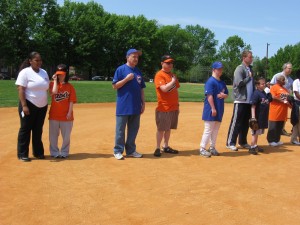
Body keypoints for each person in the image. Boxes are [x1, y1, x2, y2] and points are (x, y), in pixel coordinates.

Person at [15, 52, 49, 162]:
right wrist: (24, 105)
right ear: (30, 61)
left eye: (40, 60)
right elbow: (20, 89)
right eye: (36, 60)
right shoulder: (25, 72)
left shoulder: (44, 72)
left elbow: (46, 87)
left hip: (42, 106)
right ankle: (22, 154)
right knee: (25, 129)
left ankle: (38, 152)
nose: (39, 62)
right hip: (29, 104)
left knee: (38, 130)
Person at [112, 49, 146, 160]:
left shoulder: (138, 71)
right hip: (123, 105)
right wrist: (126, 79)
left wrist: (143, 103)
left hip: (136, 105)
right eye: (133, 56)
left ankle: (131, 150)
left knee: (133, 129)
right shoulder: (121, 69)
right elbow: (115, 86)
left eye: (137, 57)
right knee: (120, 130)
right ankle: (118, 151)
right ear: (127, 57)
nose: (136, 58)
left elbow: (141, 89)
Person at [226, 50, 254, 151]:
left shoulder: (250, 69)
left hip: (248, 101)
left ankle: (243, 142)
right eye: (250, 57)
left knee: (245, 123)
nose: (252, 59)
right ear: (244, 58)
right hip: (240, 100)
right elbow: (239, 83)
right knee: (236, 122)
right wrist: (249, 78)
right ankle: (230, 142)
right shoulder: (239, 69)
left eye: (252, 57)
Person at [199, 62, 228, 158]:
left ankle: (212, 147)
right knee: (208, 129)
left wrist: (224, 95)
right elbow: (209, 96)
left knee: (215, 130)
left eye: (221, 69)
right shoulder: (210, 81)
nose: (220, 70)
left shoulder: (222, 82)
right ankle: (202, 148)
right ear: (213, 70)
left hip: (220, 108)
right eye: (218, 69)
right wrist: (213, 108)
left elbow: (226, 94)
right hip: (211, 109)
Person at [153, 55, 180, 157]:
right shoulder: (159, 75)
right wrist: (173, 81)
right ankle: (157, 148)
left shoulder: (172, 75)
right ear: (162, 63)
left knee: (168, 128)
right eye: (167, 63)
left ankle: (166, 146)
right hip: (164, 107)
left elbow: (175, 88)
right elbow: (164, 89)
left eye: (171, 63)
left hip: (173, 107)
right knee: (161, 129)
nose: (170, 65)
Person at [49, 64, 77, 158]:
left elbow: (71, 101)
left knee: (66, 137)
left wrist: (69, 113)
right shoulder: (52, 84)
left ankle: (64, 152)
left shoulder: (70, 87)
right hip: (54, 115)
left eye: (62, 74)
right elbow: (54, 92)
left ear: (66, 74)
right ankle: (54, 152)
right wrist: (55, 80)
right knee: (53, 136)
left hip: (66, 116)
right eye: (58, 74)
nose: (60, 76)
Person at [249, 78, 272, 154]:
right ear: (258, 85)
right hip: (257, 116)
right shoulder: (256, 93)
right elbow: (253, 106)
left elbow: (270, 100)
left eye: (264, 83)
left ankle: (255, 145)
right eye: (262, 84)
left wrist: (269, 92)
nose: (264, 85)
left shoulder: (264, 93)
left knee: (258, 132)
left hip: (262, 116)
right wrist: (253, 117)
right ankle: (251, 147)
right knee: (255, 132)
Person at [267, 75, 292, 146]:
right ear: (278, 80)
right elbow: (273, 97)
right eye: (283, 80)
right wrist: (282, 101)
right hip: (275, 110)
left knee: (280, 126)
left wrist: (291, 105)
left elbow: (288, 99)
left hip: (283, 111)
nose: (284, 81)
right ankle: (271, 140)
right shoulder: (274, 87)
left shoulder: (285, 89)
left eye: (284, 80)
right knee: (273, 126)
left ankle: (277, 139)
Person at [270, 62, 293, 136]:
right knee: (276, 117)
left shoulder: (290, 79)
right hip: (277, 100)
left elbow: (290, 90)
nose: (290, 70)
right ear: (284, 68)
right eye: (289, 68)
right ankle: (274, 134)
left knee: (283, 116)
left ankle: (281, 130)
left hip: (285, 101)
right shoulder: (277, 76)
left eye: (291, 69)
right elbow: (271, 86)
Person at [290, 73, 300, 145]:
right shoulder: (296, 81)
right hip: (297, 103)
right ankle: (294, 139)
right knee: (296, 121)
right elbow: (296, 93)